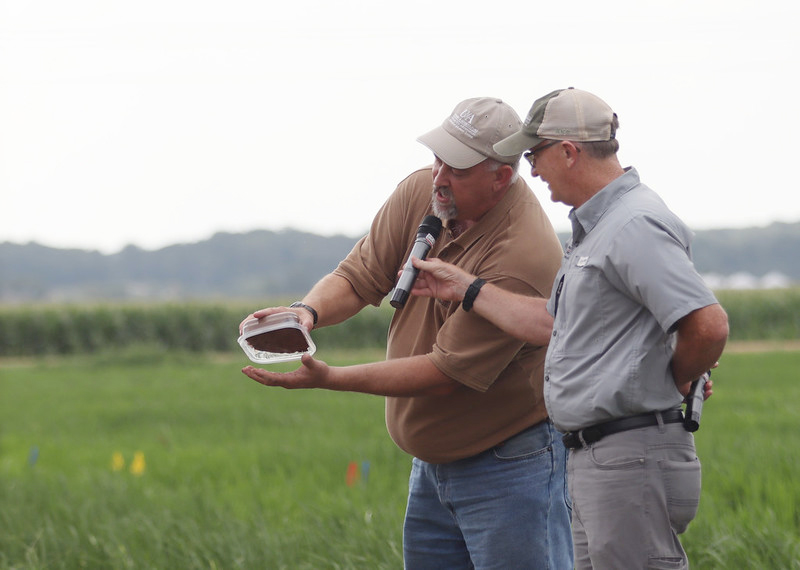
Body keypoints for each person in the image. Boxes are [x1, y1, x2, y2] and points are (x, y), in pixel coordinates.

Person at [240, 97, 573, 569]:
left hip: (509, 469)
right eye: (438, 157)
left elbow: (444, 373)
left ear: (500, 176)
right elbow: (360, 275)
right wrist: (306, 313)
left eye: (455, 167)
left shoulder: (523, 254)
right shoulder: (425, 191)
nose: (439, 176)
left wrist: (329, 378)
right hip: (433, 468)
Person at [409, 87, 729, 570]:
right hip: (604, 458)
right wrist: (468, 288)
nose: (531, 170)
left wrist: (676, 378)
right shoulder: (598, 228)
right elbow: (554, 325)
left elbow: (707, 325)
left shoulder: (633, 224)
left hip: (630, 457)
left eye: (535, 154)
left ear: (569, 152)